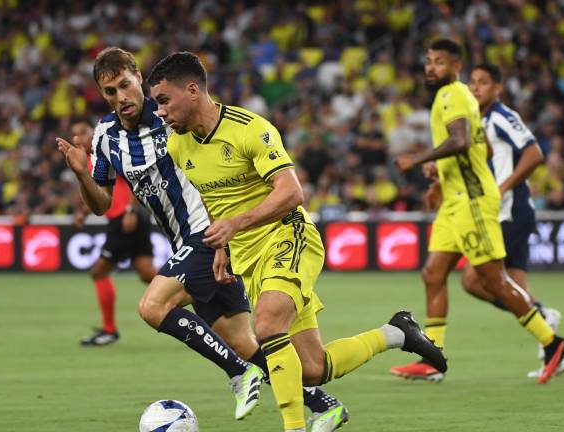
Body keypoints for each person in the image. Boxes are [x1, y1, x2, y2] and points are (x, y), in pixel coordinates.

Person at [149, 51, 447, 432]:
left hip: (288, 236)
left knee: (267, 324)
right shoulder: (179, 146)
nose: (160, 111)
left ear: (192, 90)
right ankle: (397, 332)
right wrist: (220, 245)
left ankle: (293, 427)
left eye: (164, 100)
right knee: (311, 369)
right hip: (249, 258)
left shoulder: (249, 129)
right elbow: (211, 197)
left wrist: (236, 224)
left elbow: (292, 192)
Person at [57, 47, 346, 429]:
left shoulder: (172, 114)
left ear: (138, 78)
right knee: (246, 345)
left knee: (152, 306)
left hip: (207, 232)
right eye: (110, 91)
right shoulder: (106, 136)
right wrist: (82, 174)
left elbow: (217, 135)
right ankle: (323, 404)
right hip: (192, 245)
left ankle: (238, 373)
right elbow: (101, 203)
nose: (120, 97)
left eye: (125, 85)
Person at [392, 39, 564, 385]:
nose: (431, 67)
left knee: (492, 280)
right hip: (454, 201)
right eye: (428, 61)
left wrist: (417, 159)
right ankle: (433, 357)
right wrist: (440, 172)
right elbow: (482, 146)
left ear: (455, 66)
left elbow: (461, 141)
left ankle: (553, 344)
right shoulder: (457, 98)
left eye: (439, 62)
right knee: (433, 274)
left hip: (473, 201)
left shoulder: (454, 94)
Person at [69, 116, 156, 346]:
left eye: (82, 132)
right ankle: (202, 298)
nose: (78, 137)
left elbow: (134, 177)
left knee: (98, 272)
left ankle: (109, 330)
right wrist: (83, 213)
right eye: (74, 134)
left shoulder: (106, 149)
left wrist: (130, 210)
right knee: (147, 274)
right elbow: (98, 193)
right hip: (128, 219)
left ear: (92, 132)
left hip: (125, 218)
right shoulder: (87, 160)